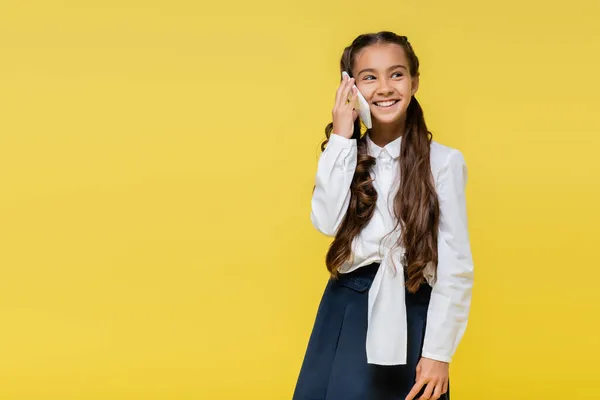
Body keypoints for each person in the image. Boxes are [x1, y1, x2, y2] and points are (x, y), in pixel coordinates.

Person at [292, 31, 474, 400]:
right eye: (369, 77)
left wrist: (438, 353)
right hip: (346, 309)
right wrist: (342, 136)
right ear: (350, 87)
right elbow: (326, 222)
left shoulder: (443, 162)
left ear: (414, 82)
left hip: (412, 308)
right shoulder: (344, 156)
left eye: (397, 74)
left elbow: (456, 265)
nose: (385, 88)